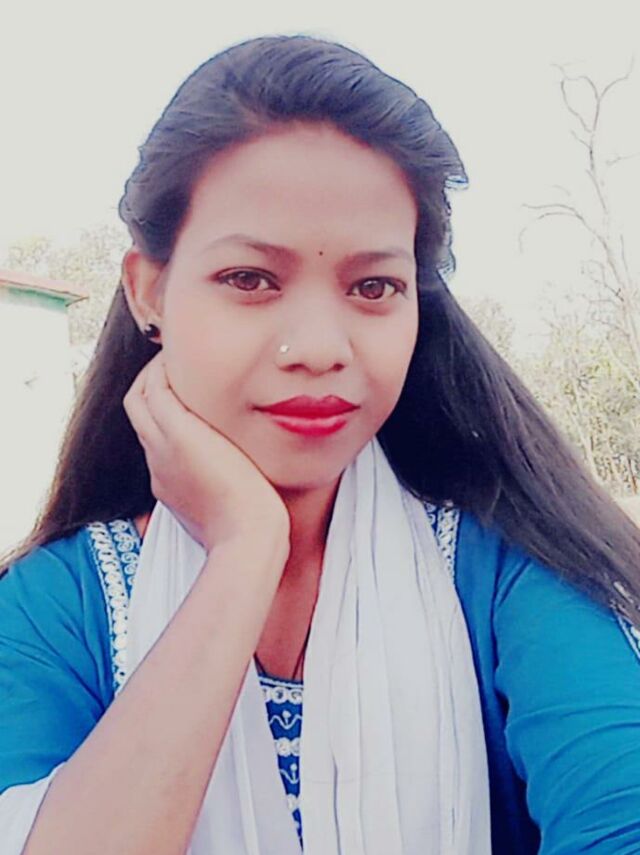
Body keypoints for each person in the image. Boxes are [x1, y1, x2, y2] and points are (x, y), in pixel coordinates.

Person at [1, 33, 639, 855]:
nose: (317, 346)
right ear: (148, 292)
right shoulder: (56, 609)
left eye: (374, 286)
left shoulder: (509, 576)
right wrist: (244, 551)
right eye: (250, 279)